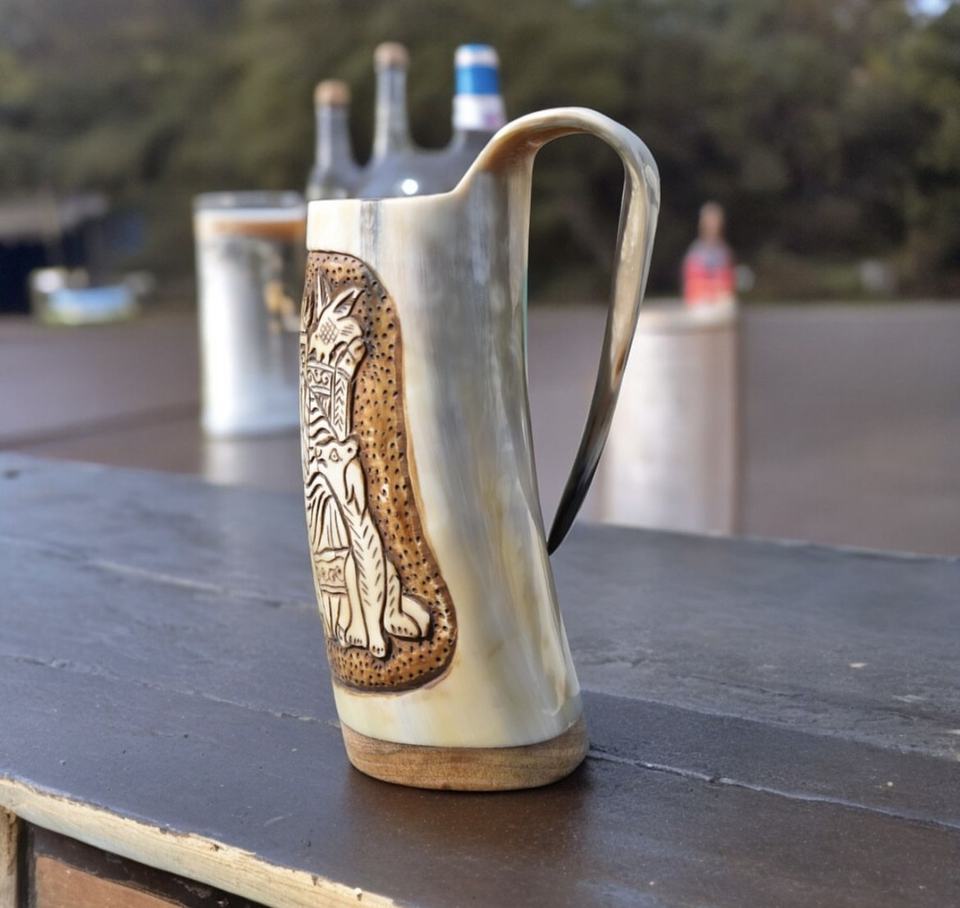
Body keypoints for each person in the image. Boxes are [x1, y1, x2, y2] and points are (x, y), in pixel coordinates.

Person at [682, 202, 735, 308]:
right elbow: (692, 285)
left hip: (720, 303)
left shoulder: (724, 252)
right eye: (710, 221)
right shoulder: (695, 252)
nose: (713, 225)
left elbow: (728, 283)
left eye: (715, 221)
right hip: (700, 304)